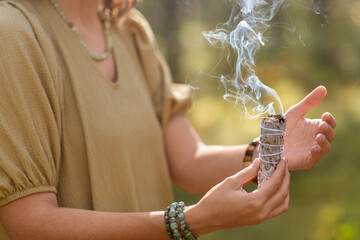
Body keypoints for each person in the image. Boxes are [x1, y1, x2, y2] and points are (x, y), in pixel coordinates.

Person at [0, 0, 336, 239]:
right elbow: (29, 222)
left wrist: (264, 152)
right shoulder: (12, 33)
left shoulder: (130, 30)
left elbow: (187, 160)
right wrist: (186, 222)